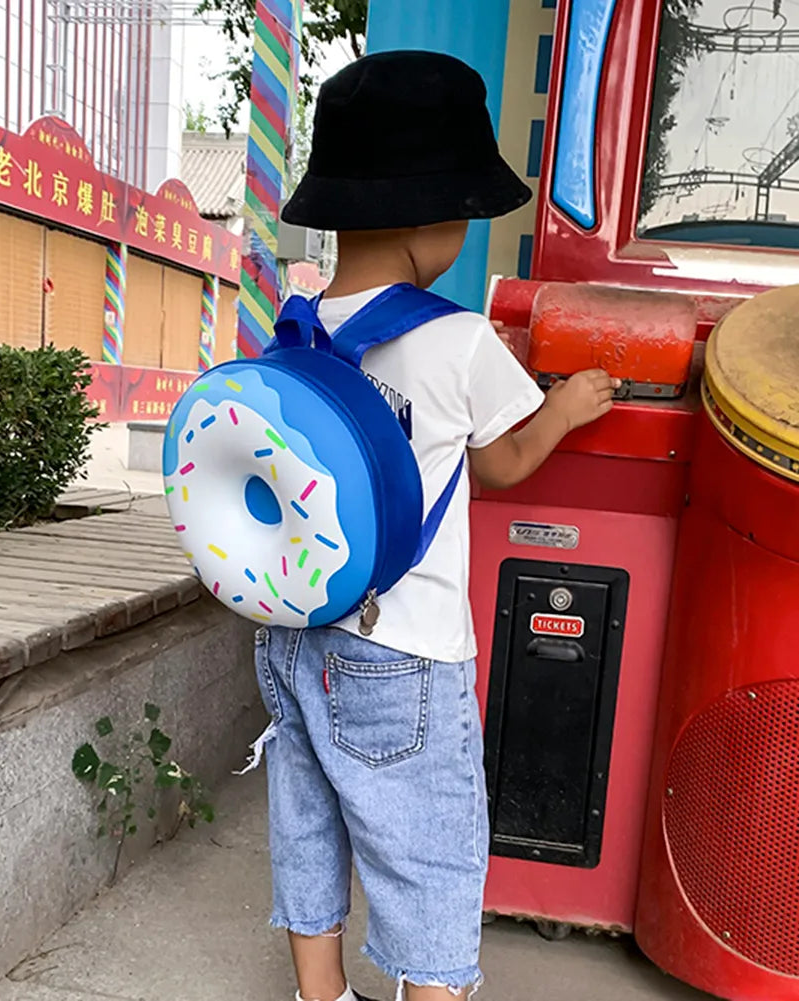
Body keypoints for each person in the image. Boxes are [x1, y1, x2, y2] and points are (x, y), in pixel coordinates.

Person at [254, 51, 619, 1001]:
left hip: (295, 635)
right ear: (435, 220)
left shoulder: (296, 326)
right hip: (405, 650)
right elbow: (498, 462)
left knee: (309, 819)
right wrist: (569, 406)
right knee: (428, 850)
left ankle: (319, 992)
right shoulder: (458, 339)